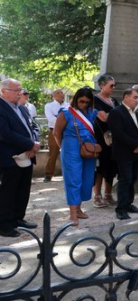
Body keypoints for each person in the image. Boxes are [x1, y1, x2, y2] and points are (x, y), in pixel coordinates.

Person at [51, 87, 98, 225]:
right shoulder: (66, 112)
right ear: (76, 99)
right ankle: (72, 213)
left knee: (87, 180)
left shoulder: (92, 113)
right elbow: (56, 133)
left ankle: (78, 208)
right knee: (73, 179)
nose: (84, 104)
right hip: (71, 148)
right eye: (81, 101)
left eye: (87, 102)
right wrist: (63, 147)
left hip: (88, 148)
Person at [0, 78, 40, 237]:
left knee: (23, 189)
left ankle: (18, 218)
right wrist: (29, 144)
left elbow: (32, 127)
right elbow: (5, 133)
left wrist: (34, 143)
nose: (20, 93)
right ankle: (4, 224)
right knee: (8, 192)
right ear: (3, 91)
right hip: (10, 157)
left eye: (20, 90)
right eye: (16, 90)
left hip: (28, 155)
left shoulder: (22, 108)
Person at [108, 89, 138, 220]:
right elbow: (119, 134)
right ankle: (121, 209)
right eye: (135, 97)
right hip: (124, 153)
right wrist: (136, 144)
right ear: (126, 97)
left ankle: (129, 204)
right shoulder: (116, 112)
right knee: (125, 179)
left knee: (133, 179)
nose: (137, 100)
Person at [92, 74, 118, 208]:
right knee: (100, 168)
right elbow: (103, 118)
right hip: (100, 138)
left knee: (112, 167)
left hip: (114, 139)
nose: (113, 88)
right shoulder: (95, 100)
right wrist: (116, 116)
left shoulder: (113, 100)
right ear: (102, 85)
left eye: (115, 85)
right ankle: (97, 195)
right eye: (111, 85)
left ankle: (108, 194)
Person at [43, 88, 67, 182]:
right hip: (54, 130)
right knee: (53, 153)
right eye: (58, 92)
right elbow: (51, 119)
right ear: (53, 96)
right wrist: (63, 121)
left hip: (67, 131)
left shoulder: (68, 105)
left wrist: (61, 120)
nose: (61, 94)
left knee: (68, 152)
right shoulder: (49, 106)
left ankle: (68, 174)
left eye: (62, 92)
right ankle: (49, 174)